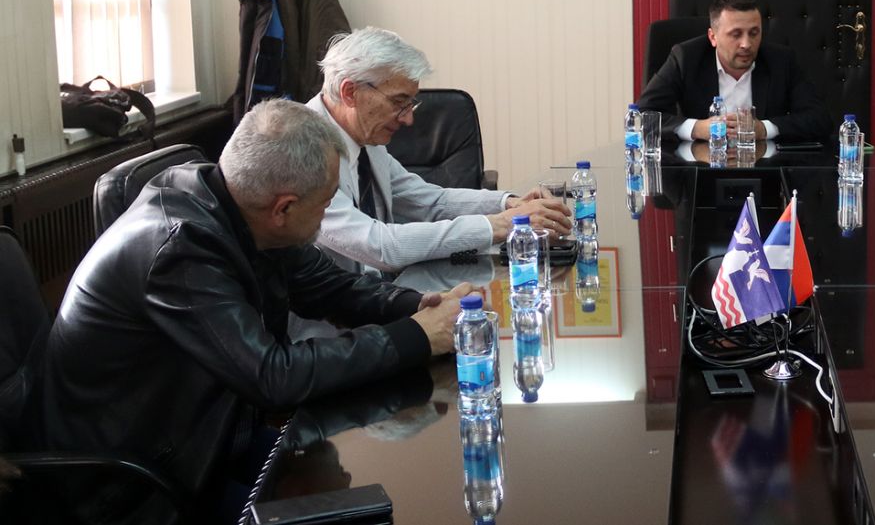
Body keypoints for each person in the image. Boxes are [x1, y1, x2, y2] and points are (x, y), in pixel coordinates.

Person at [32, 100, 468, 520]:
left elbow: (331, 287)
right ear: (284, 208)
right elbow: (274, 376)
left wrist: (422, 306)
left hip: (212, 437)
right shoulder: (179, 250)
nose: (327, 215)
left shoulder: (241, 204)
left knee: (369, 491)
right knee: (360, 509)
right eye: (325, 202)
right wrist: (417, 335)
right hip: (138, 488)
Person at [308, 27, 570, 273]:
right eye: (399, 102)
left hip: (379, 293)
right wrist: (504, 223)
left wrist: (509, 203)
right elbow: (380, 246)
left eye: (410, 104)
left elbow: (430, 202)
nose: (408, 119)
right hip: (334, 306)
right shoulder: (302, 149)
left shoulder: (365, 137)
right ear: (350, 92)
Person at [636, 0, 830, 143]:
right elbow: (642, 116)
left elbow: (819, 119)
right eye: (736, 34)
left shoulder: (781, 61)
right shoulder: (686, 58)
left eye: (754, 33)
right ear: (713, 37)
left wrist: (763, 129)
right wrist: (697, 129)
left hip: (766, 171)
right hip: (701, 171)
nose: (746, 44)